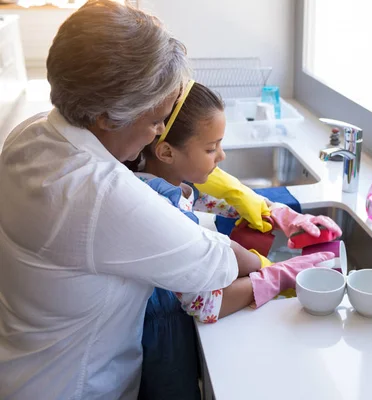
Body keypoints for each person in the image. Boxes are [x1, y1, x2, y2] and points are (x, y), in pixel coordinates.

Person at [0, 2, 332, 399]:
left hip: (22, 367)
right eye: (155, 120)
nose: (158, 132)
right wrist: (281, 270)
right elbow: (215, 266)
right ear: (107, 116)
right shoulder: (100, 194)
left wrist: (270, 209)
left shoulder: (33, 133)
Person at [130, 80, 341, 399]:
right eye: (211, 148)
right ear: (166, 151)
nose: (222, 156)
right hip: (161, 344)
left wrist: (280, 214)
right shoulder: (160, 210)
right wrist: (275, 276)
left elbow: (209, 200)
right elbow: (204, 303)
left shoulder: (166, 181)